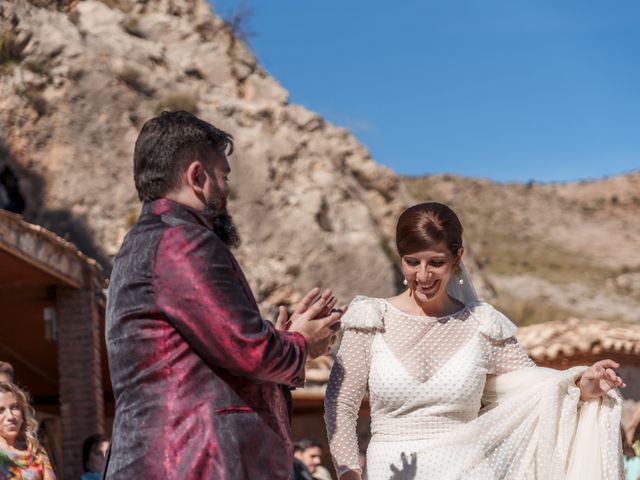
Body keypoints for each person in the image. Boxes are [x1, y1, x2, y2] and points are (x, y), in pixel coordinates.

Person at [105, 111, 342, 479]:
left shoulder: (144, 243)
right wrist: (301, 344)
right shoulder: (181, 242)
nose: (228, 189)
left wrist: (280, 340)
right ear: (197, 176)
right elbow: (246, 349)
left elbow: (216, 355)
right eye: (224, 176)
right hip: (194, 460)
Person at [325, 202, 625, 480]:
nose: (423, 275)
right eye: (412, 262)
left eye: (436, 262)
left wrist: (582, 385)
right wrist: (348, 472)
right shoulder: (369, 319)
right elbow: (340, 403)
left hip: (467, 470)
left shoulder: (483, 325)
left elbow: (536, 389)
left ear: (457, 257)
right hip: (389, 469)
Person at [0, 382, 56, 479]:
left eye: (15, 407)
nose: (10, 416)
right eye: (0, 410)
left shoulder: (37, 452)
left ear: (23, 414)